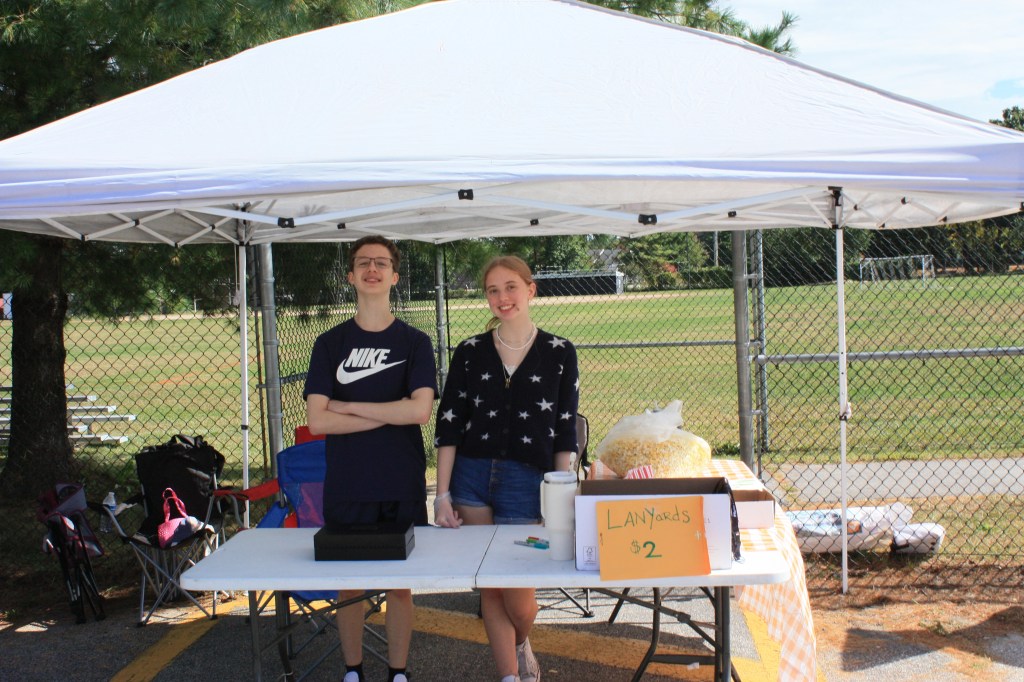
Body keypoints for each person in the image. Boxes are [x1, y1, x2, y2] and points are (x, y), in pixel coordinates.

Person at [433, 255, 579, 682]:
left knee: (518, 593)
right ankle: (511, 676)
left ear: (531, 289)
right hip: (471, 477)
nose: (503, 298)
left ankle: (521, 640)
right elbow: (449, 426)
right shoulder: (470, 352)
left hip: (525, 480)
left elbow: (564, 430)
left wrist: (561, 493)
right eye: (493, 290)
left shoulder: (559, 352)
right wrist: (441, 495)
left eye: (511, 287)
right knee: (489, 584)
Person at [304, 236, 437, 682]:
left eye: (382, 263)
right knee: (351, 584)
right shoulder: (330, 343)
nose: (373, 269)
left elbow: (419, 411)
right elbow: (318, 421)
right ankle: (353, 671)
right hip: (349, 481)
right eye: (364, 263)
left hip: (400, 480)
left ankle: (398, 672)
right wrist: (388, 412)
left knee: (401, 587)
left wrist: (349, 406)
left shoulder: (415, 342)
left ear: (395, 277)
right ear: (351, 276)